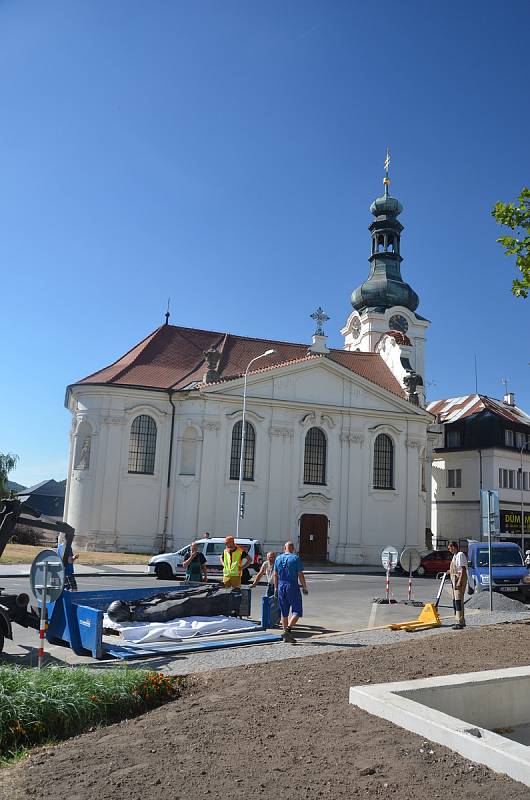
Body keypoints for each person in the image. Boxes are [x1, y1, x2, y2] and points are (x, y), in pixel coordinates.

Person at [274, 541, 308, 644]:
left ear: (284, 548)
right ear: (293, 549)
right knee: (297, 610)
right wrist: (304, 587)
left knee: (284, 612)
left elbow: (275, 575)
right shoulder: (295, 558)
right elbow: (300, 574)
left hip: (281, 586)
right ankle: (288, 629)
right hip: (292, 585)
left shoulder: (278, 558)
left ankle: (286, 636)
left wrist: (276, 588)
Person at [447, 540, 467, 629]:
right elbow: (455, 568)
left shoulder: (460, 555)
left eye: (449, 548)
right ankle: (457, 619)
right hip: (454, 579)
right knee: (455, 601)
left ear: (453, 547)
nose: (449, 550)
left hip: (459, 579)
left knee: (458, 600)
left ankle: (460, 622)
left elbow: (463, 569)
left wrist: (459, 581)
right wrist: (448, 572)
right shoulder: (454, 556)